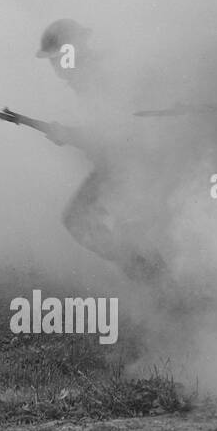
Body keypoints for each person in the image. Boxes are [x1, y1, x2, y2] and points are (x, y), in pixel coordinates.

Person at [34, 19, 168, 283]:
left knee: (88, 222)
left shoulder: (95, 76)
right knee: (99, 226)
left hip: (133, 163)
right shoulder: (90, 75)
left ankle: (167, 290)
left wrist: (69, 135)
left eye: (58, 58)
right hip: (123, 163)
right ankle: (161, 287)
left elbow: (117, 131)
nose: (56, 68)